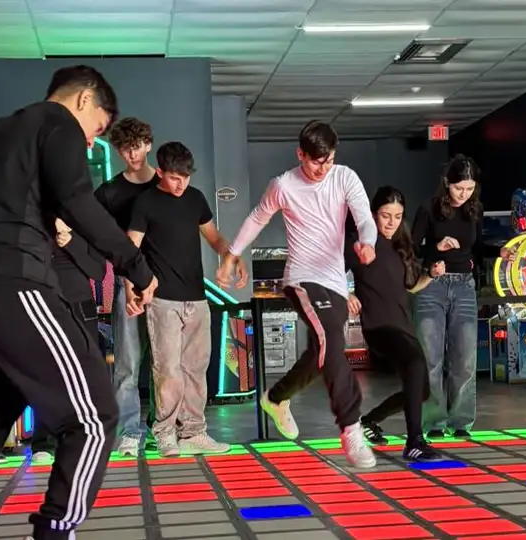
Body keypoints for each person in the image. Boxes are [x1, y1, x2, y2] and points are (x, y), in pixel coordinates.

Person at [0, 65, 159, 540]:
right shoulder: (56, 123)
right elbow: (79, 202)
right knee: (94, 420)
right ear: (83, 101)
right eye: (96, 130)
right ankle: (55, 531)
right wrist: (136, 267)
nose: (89, 144)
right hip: (11, 282)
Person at [216, 120, 379, 468]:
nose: (322, 168)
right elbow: (256, 219)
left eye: (329, 160)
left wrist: (368, 242)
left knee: (326, 348)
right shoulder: (284, 185)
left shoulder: (345, 177)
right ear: (300, 154)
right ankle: (351, 429)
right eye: (315, 161)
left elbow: (364, 216)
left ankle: (276, 398)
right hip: (302, 279)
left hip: (335, 281)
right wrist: (231, 256)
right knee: (330, 340)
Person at [123, 142, 236, 456]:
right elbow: (130, 248)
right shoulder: (145, 203)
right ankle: (165, 433)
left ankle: (193, 432)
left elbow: (213, 237)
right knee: (168, 369)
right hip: (162, 300)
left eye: (185, 177)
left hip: (197, 299)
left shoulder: (195, 198)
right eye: (174, 177)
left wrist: (229, 256)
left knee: (196, 369)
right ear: (160, 172)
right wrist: (134, 285)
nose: (181, 183)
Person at [344, 186, 447, 462]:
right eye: (385, 215)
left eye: (398, 216)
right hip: (379, 326)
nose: (391, 222)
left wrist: (432, 275)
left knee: (421, 390)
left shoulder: (401, 243)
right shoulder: (359, 243)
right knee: (414, 366)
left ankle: (370, 420)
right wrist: (346, 292)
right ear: (373, 214)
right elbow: (326, 269)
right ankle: (414, 442)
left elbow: (412, 286)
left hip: (403, 325)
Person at [412, 154, 501, 438]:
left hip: (464, 286)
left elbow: (476, 247)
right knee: (431, 358)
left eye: (469, 188)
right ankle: (434, 422)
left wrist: (499, 252)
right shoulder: (428, 209)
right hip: (431, 286)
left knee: (464, 357)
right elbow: (411, 249)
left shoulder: (475, 209)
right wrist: (435, 250)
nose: (464, 194)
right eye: (458, 188)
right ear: (446, 183)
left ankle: (460, 421)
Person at [94, 117, 158, 456]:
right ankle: (131, 431)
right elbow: (88, 226)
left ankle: (163, 427)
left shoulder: (166, 185)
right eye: (124, 148)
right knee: (128, 364)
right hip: (128, 283)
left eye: (136, 146)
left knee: (167, 363)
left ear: (148, 144)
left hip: (166, 284)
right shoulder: (109, 192)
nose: (131, 154)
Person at [30, 218, 108, 464]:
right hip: (46, 307)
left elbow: (98, 271)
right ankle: (44, 441)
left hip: (81, 309)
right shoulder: (34, 226)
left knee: (84, 375)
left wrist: (72, 243)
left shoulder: (85, 228)